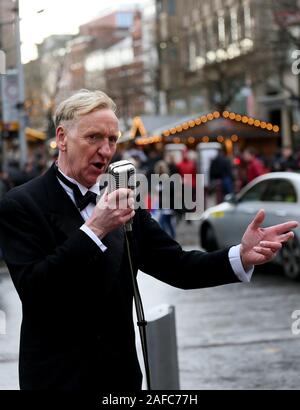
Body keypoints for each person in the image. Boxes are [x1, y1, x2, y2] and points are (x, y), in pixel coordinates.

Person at [0, 89, 297, 391]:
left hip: (120, 379)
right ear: (62, 138)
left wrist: (241, 256)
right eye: (93, 138)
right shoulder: (22, 203)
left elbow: (177, 265)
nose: (105, 150)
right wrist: (93, 230)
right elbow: (36, 291)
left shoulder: (122, 199)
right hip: (56, 380)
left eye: (112, 140)